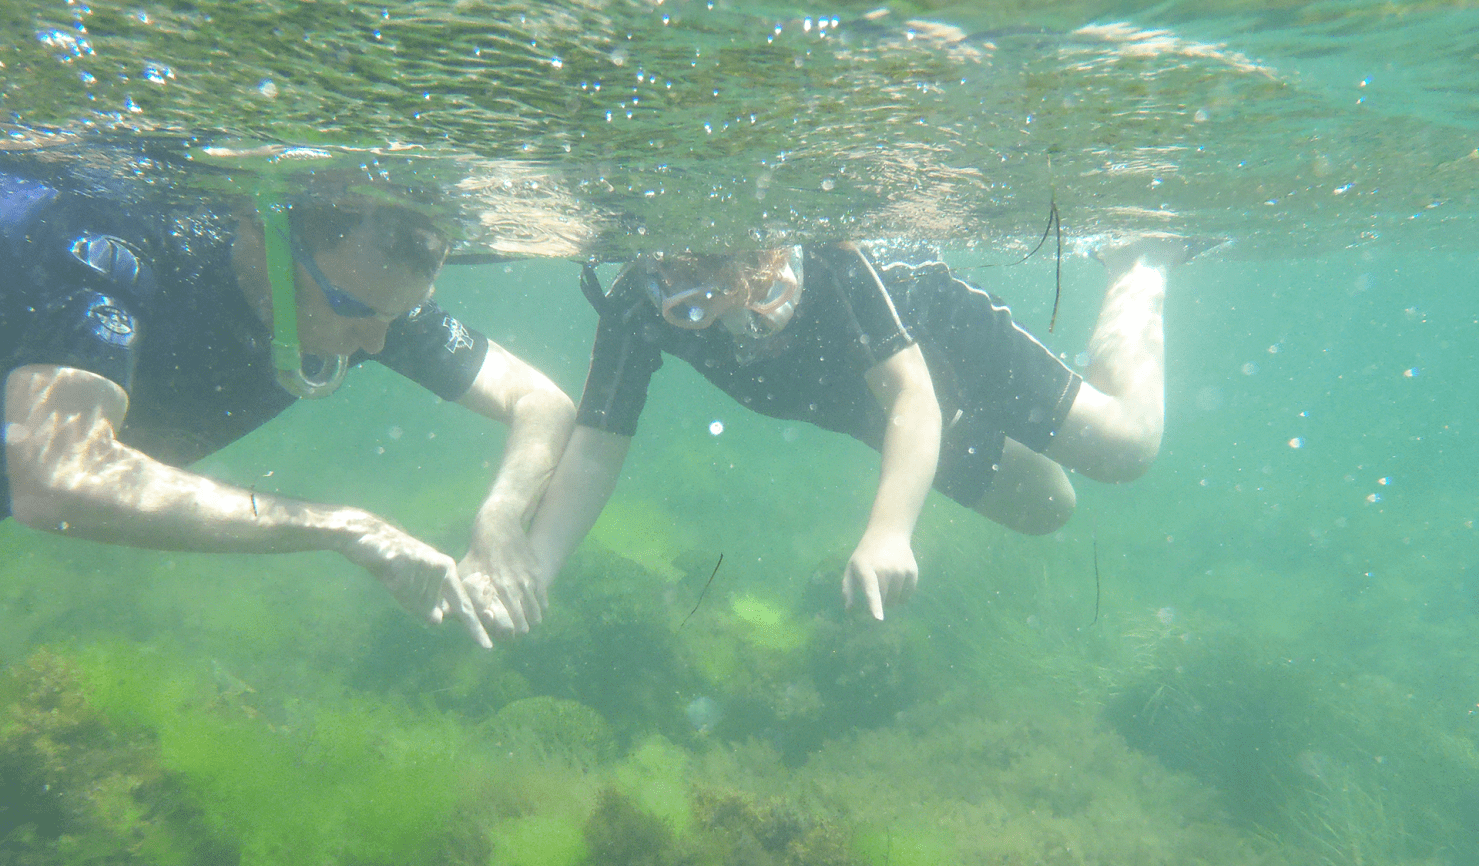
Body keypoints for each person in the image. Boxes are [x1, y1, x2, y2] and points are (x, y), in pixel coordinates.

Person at [497, 236, 1203, 634]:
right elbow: (594, 444)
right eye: (679, 298)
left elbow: (911, 396)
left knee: (1128, 447)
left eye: (765, 299)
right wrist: (538, 566)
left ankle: (1138, 259)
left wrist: (889, 532)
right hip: (894, 417)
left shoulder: (832, 264)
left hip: (936, 348)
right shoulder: (638, 306)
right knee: (1047, 507)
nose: (747, 335)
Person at [0, 167, 574, 648]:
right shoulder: (111, 246)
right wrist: (345, 528)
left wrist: (502, 515)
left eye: (393, 319)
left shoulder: (368, 304)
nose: (376, 342)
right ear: (264, 237)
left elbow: (540, 400)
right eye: (357, 312)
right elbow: (57, 475)